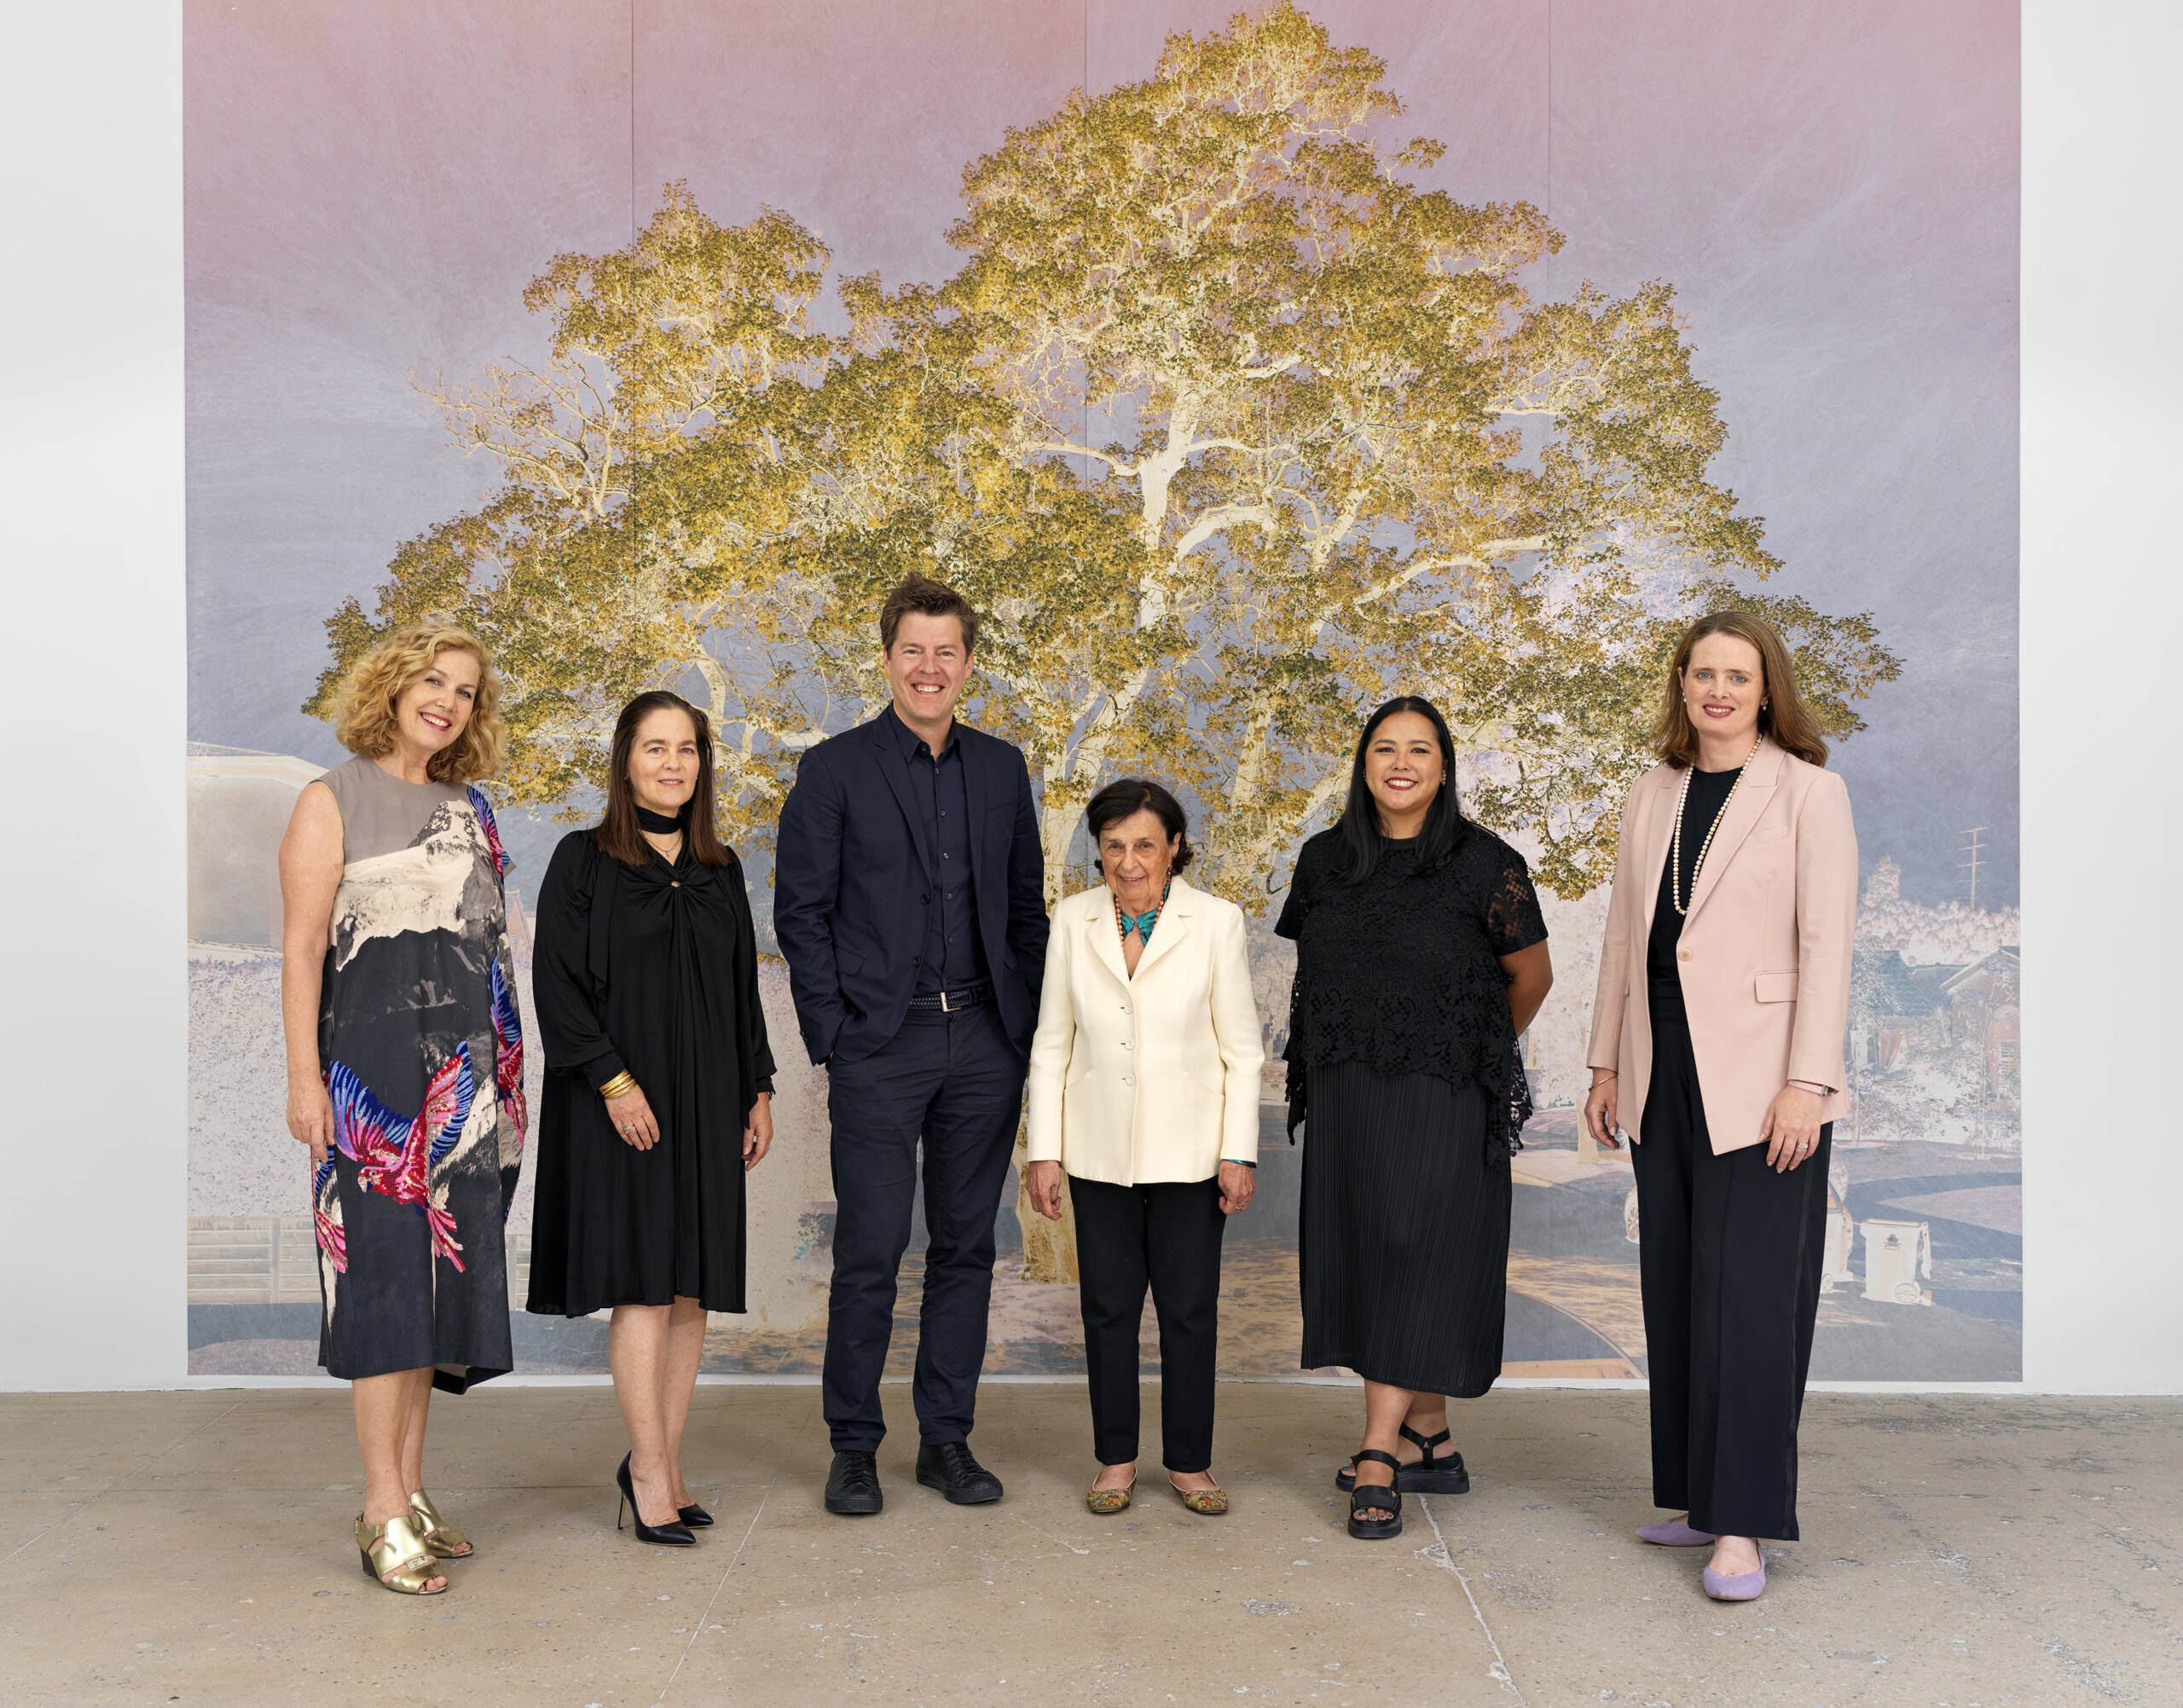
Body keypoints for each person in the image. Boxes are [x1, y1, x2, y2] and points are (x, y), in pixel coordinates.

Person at [1582, 608, 1857, 1602]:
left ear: (1765, 688)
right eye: (1703, 673)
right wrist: (1605, 1063)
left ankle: (1741, 1525)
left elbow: (1827, 945)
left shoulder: (1809, 791)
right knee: (1678, 1288)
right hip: (1660, 1064)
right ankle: (1699, 1499)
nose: (1718, 690)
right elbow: (1625, 936)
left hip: (1764, 1077)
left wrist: (1807, 1082)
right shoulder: (1651, 790)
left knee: (1750, 1303)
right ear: (1682, 684)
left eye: (1738, 676)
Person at [774, 572, 1050, 1515]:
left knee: (966, 1247)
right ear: (888, 659)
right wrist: (835, 1036)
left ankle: (946, 1440)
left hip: (983, 1039)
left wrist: (1021, 1030)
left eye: (946, 652)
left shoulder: (1003, 769)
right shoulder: (834, 770)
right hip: (879, 1046)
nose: (929, 667)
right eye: (913, 651)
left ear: (967, 664)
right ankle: (853, 1446)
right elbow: (801, 913)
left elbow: (1024, 910)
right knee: (870, 1250)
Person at [278, 624, 526, 1596]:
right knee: (384, 1288)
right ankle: (380, 1508)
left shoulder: (470, 807)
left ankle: (413, 1491)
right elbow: (303, 950)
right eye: (433, 680)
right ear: (391, 684)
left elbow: (487, 951)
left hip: (464, 1085)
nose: (448, 702)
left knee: (438, 1293)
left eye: (465, 690)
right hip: (368, 1086)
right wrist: (305, 1082)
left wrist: (505, 1085)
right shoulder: (328, 799)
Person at [1276, 696, 1553, 1543]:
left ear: (1444, 766)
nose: (1401, 763)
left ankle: (1377, 1454)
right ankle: (1429, 1436)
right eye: (1385, 748)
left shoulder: (1486, 863)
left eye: (1420, 749)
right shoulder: (1323, 861)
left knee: (1410, 1252)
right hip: (1348, 1096)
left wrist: (1464, 1047)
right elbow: (1319, 975)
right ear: (1364, 764)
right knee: (1372, 1255)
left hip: (1442, 1094)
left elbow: (1532, 977)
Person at [525, 691, 777, 1547]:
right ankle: (646, 1470)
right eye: (655, 747)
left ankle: (662, 1462)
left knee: (690, 1286)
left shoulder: (720, 867)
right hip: (623, 1106)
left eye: (687, 748)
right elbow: (556, 984)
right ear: (625, 760)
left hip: (709, 1099)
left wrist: (758, 1087)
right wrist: (613, 1082)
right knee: (642, 1283)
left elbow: (742, 988)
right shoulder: (583, 860)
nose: (673, 763)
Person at [1025, 779, 1263, 1516]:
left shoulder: (1216, 922)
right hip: (1097, 1151)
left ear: (1175, 847)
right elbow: (1052, 1042)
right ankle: (1116, 1461)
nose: (1128, 861)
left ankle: (1190, 1463)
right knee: (1108, 1310)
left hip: (1193, 1154)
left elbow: (1243, 1050)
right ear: (1099, 850)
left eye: (1145, 845)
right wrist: (1043, 1150)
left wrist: (1239, 1151)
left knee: (1189, 1311)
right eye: (1114, 845)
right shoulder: (1073, 920)